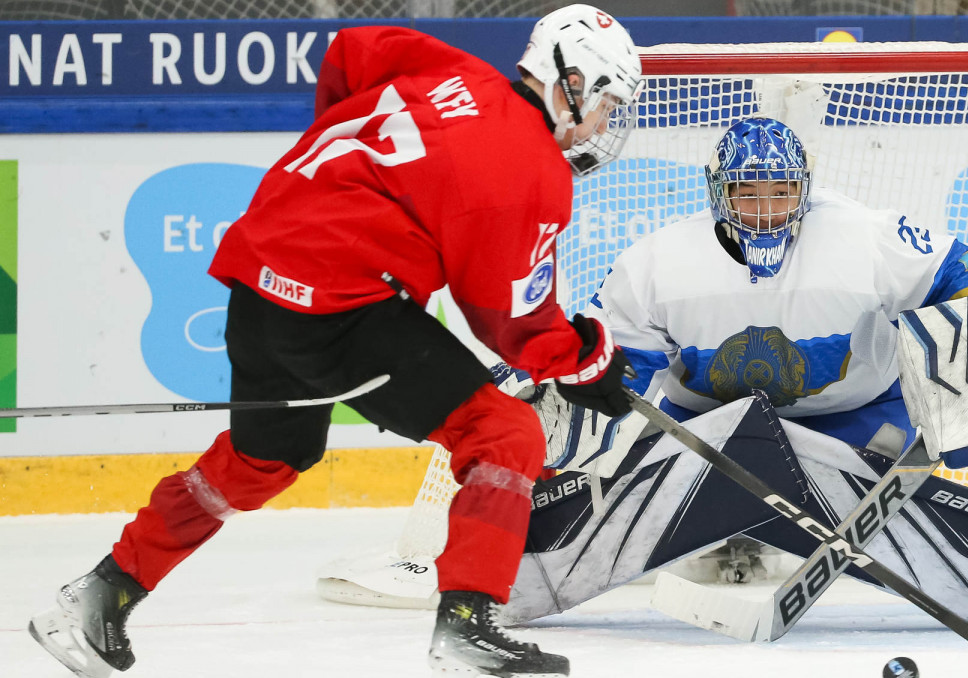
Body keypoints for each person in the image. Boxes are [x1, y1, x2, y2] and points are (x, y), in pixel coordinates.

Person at [29, 5, 641, 678]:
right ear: (571, 83)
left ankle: (97, 596)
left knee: (263, 459)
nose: (606, 125)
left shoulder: (451, 72)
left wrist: (341, 193)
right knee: (506, 436)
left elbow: (355, 50)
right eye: (607, 105)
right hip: (335, 310)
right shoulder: (528, 166)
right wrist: (588, 362)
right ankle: (468, 628)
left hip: (256, 278)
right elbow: (509, 322)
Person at [489, 117, 968, 631]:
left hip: (855, 422)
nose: (767, 210)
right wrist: (568, 439)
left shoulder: (864, 236)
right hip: (705, 430)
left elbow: (961, 276)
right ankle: (514, 572)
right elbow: (613, 362)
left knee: (884, 477)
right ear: (717, 193)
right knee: (607, 448)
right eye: (748, 193)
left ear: (806, 190)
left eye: (783, 192)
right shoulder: (656, 262)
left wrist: (960, 388)